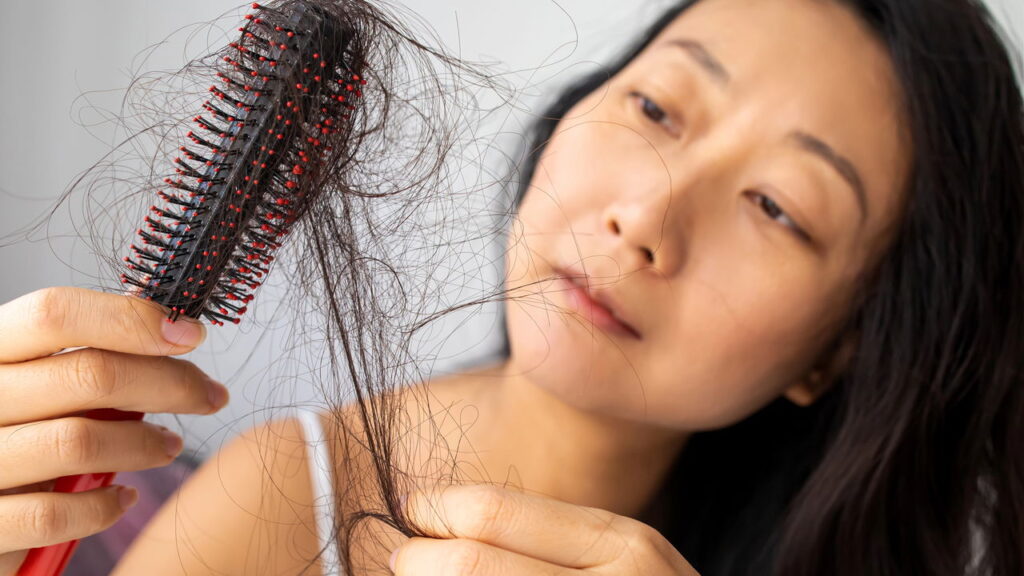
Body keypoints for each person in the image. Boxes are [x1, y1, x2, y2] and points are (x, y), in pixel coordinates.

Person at [1, 0, 1022, 574]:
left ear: (837, 353)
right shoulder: (271, 517)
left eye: (776, 207)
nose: (644, 220)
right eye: (659, 108)